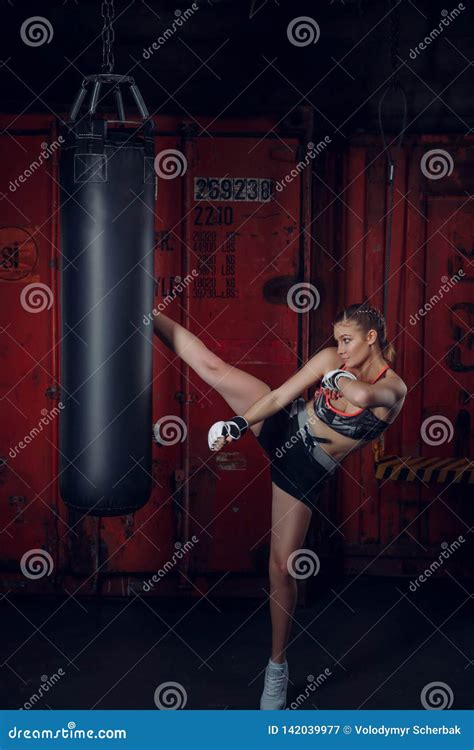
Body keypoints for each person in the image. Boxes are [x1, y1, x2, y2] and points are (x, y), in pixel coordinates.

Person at [153, 303, 407, 710]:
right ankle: (143, 313)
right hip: (287, 425)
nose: (339, 349)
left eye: (347, 340)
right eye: (337, 340)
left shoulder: (392, 388)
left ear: (371, 338)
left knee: (282, 566)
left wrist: (337, 375)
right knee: (213, 368)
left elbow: (360, 393)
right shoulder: (330, 358)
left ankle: (277, 668)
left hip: (305, 471)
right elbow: (279, 395)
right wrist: (239, 424)